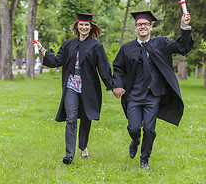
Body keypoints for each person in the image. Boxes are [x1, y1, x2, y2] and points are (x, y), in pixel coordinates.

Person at [112, 11, 193, 170]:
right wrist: (117, 84)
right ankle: (135, 141)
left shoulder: (161, 43)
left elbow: (181, 46)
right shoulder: (127, 48)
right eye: (139, 25)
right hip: (133, 95)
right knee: (134, 128)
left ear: (150, 27)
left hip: (153, 95)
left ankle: (144, 159)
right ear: (135, 28)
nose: (143, 27)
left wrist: (184, 27)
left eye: (146, 24)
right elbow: (118, 68)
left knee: (149, 129)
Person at [34, 13, 113, 164]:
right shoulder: (68, 44)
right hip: (71, 85)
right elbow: (57, 61)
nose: (84, 27)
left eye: (87, 25)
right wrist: (42, 49)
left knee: (85, 118)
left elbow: (104, 69)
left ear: (91, 27)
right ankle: (69, 154)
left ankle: (83, 147)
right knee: (71, 118)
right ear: (77, 26)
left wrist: (114, 86)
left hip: (88, 88)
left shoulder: (96, 46)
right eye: (81, 24)